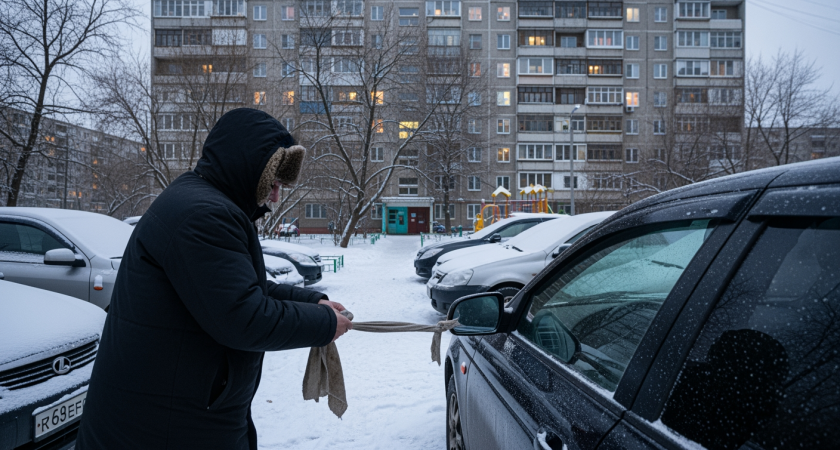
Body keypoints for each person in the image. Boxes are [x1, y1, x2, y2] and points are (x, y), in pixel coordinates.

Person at [77, 108, 353, 450]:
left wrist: (312, 302)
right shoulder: (203, 216)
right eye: (274, 183)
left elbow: (239, 291)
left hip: (174, 414)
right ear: (249, 166)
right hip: (165, 427)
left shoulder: (200, 203)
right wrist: (324, 323)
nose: (276, 196)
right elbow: (243, 317)